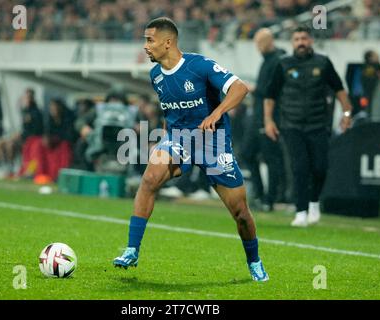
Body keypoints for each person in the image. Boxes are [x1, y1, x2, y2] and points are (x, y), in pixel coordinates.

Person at [113, 17, 268, 282]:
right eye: (145, 41)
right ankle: (131, 250)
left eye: (150, 40)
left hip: (213, 142)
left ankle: (254, 262)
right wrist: (164, 138)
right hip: (179, 139)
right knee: (150, 178)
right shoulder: (156, 75)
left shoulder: (199, 65)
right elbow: (169, 111)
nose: (146, 46)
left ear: (168, 42)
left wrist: (216, 113)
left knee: (241, 213)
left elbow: (240, 89)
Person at [264, 26, 353, 227]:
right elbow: (270, 96)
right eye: (296, 39)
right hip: (291, 125)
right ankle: (301, 211)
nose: (300, 42)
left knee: (320, 168)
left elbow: (340, 90)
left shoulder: (322, 63)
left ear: (310, 40)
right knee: (299, 168)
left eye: (304, 38)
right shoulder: (283, 64)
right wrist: (268, 121)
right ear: (292, 42)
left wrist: (347, 114)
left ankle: (314, 202)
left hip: (318, 123)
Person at [240, 28, 287, 211]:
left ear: (269, 41)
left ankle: (270, 199)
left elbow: (272, 91)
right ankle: (260, 194)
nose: (258, 47)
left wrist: (252, 88)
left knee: (271, 158)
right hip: (258, 116)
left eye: (260, 43)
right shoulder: (268, 61)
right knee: (247, 153)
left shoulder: (277, 61)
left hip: (270, 118)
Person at [0, 88, 43, 177]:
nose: (26, 99)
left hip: (29, 139)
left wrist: (18, 136)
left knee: (10, 145)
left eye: (28, 97)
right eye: (25, 97)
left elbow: (33, 130)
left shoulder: (35, 112)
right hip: (20, 136)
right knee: (0, 143)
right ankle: (4, 166)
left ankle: (11, 169)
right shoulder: (23, 110)